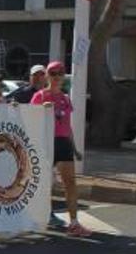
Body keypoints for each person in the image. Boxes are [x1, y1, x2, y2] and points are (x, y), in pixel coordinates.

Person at [31, 61, 92, 237]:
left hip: (63, 143)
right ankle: (33, 218)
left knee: (70, 183)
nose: (57, 77)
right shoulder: (40, 96)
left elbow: (67, 126)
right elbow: (30, 120)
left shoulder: (65, 98)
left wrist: (74, 148)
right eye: (53, 73)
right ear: (47, 76)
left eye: (60, 73)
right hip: (46, 143)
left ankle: (73, 223)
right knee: (41, 185)